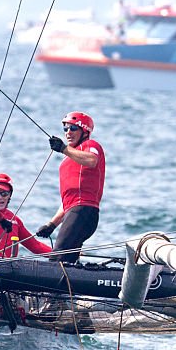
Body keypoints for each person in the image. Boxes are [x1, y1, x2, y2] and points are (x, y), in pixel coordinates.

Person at [36, 112, 106, 264]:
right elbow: (68, 201)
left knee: (57, 259)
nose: (68, 132)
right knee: (67, 262)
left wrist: (63, 148)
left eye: (73, 128)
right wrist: (52, 224)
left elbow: (92, 160)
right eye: (65, 129)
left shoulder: (90, 145)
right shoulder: (68, 158)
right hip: (74, 212)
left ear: (85, 131)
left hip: (84, 211)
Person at [0, 173, 53, 258]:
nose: (0, 197)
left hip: (9, 268)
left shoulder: (15, 220)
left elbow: (35, 246)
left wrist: (60, 255)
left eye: (4, 194)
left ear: (10, 195)